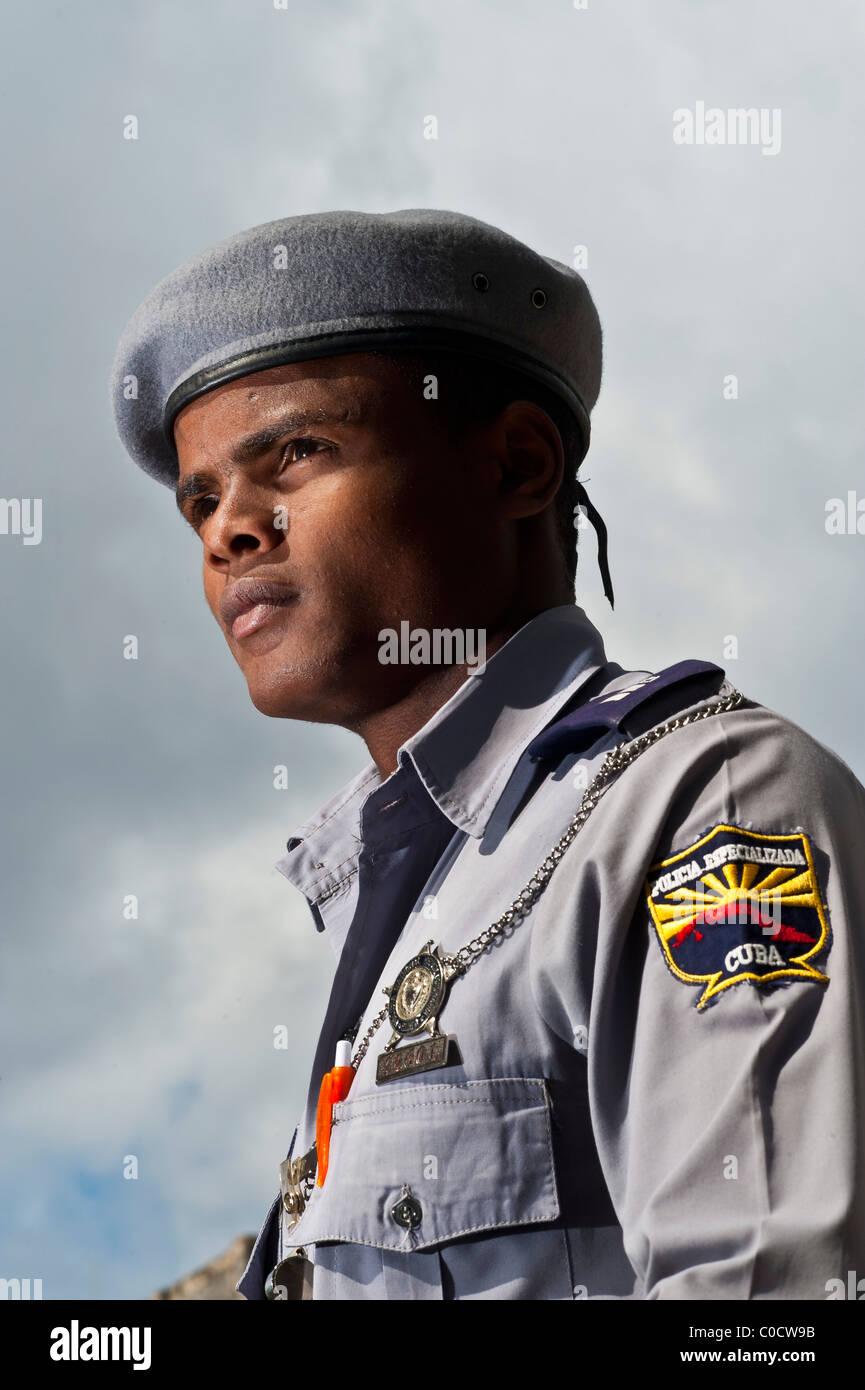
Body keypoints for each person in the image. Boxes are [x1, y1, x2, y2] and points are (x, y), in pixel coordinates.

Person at [110, 209, 865, 1300]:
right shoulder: (421, 892)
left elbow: (770, 1310)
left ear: (515, 465)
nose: (231, 530)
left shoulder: (700, 803)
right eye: (201, 501)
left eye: (298, 452)